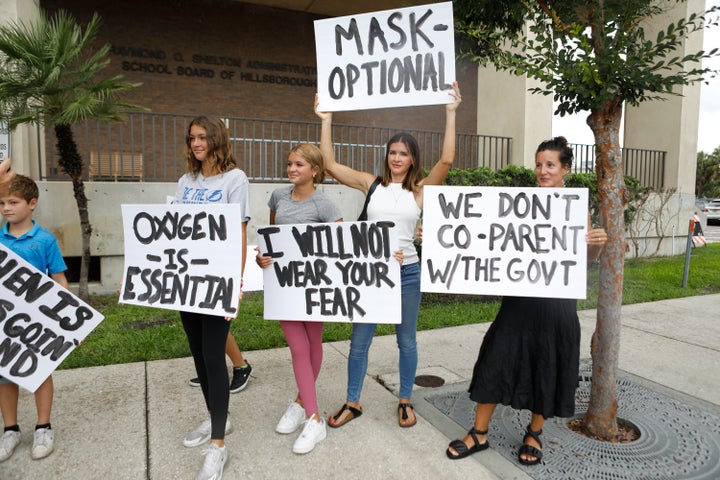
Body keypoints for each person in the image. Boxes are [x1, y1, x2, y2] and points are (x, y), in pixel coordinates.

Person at [445, 136, 608, 465]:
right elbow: (482, 238)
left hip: (557, 306)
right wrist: (440, 235)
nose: (542, 171)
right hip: (519, 302)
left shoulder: (575, 207)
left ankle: (534, 433)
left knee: (546, 366)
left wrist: (596, 242)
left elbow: (584, 261)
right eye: (538, 164)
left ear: (565, 168)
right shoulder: (518, 202)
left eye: (550, 165)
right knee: (495, 358)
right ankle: (479, 432)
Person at [315, 82, 462, 428]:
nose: (397, 158)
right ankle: (353, 401)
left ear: (413, 159)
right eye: (393, 152)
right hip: (370, 275)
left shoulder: (422, 190)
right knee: (359, 341)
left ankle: (406, 400)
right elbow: (330, 163)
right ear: (387, 156)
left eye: (404, 153)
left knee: (406, 341)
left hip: (407, 274)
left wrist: (451, 112)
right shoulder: (372, 185)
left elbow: (448, 159)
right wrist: (325, 119)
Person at [173, 115, 250, 480]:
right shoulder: (186, 181)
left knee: (213, 356)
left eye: (202, 137)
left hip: (217, 279)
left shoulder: (235, 179)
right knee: (199, 356)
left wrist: (235, 284)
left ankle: (217, 445)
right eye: (192, 138)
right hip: (186, 280)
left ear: (217, 140)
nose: (196, 143)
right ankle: (217, 416)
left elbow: (239, 232)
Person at [256, 143, 343, 454]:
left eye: (299, 165)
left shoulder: (325, 205)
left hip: (314, 287)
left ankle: (300, 404)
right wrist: (262, 259)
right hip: (284, 287)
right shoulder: (278, 196)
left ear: (315, 170)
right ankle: (313, 417)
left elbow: (344, 247)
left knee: (312, 343)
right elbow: (272, 238)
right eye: (290, 164)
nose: (292, 169)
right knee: (297, 347)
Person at [0, 174, 68, 462]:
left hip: (37, 325)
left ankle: (43, 426)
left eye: (13, 202)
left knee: (40, 372)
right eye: (2, 202)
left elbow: (60, 281)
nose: (6, 208)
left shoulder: (45, 241)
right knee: (3, 376)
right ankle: (10, 429)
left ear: (32, 203)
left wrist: (68, 324)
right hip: (5, 322)